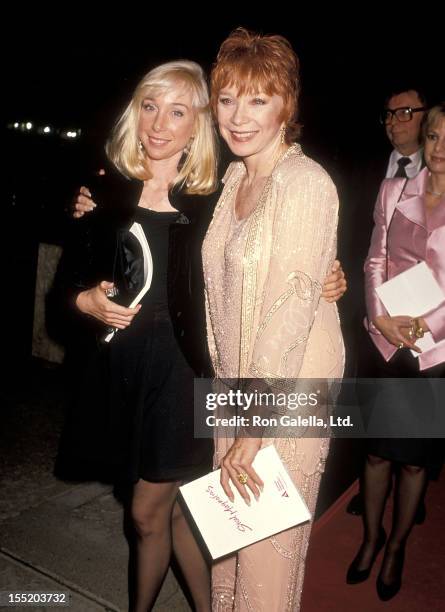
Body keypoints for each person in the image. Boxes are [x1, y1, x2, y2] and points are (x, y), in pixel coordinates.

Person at [67, 58, 346, 611]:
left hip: (224, 384)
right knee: (211, 532)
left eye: (178, 110)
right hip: (171, 378)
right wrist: (83, 292)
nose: (160, 122)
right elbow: (73, 280)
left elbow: (284, 277)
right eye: (150, 106)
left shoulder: (234, 188)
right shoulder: (130, 189)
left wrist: (327, 278)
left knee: (220, 536)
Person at [202, 29, 344, 610]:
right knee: (231, 545)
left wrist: (252, 425)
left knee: (265, 557)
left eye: (258, 99)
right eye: (228, 98)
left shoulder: (305, 184)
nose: (239, 115)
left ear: (288, 104)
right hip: (238, 384)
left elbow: (287, 315)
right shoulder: (238, 175)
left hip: (288, 391)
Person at [346, 103, 445, 601]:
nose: (439, 148)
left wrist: (424, 326)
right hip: (385, 343)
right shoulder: (393, 189)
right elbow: (373, 260)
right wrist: (381, 318)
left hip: (435, 353)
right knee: (376, 454)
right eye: (433, 137)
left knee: (413, 462)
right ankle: (370, 538)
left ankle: (396, 546)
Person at [345, 87, 428, 518]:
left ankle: (413, 494)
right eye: (389, 114)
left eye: (406, 112)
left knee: (417, 433)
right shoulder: (367, 171)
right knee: (373, 420)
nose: (395, 122)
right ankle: (371, 491)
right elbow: (357, 241)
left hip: (429, 327)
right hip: (373, 316)